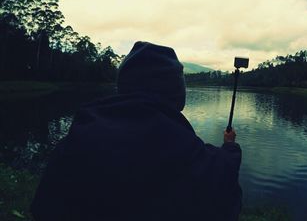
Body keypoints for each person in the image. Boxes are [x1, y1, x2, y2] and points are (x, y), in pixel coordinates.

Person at [31, 41, 242, 221]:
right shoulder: (195, 157)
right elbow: (226, 194)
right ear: (178, 95)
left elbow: (42, 208)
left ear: (123, 87)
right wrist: (230, 147)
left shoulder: (74, 143)